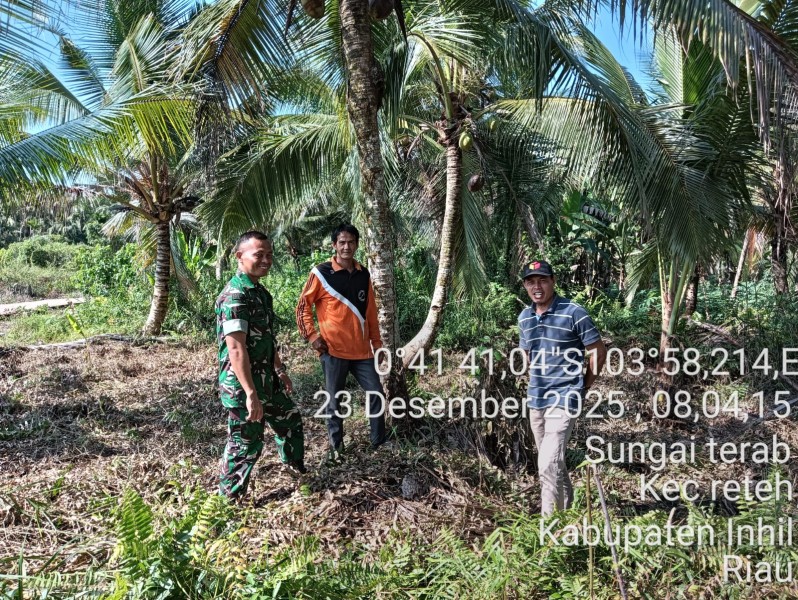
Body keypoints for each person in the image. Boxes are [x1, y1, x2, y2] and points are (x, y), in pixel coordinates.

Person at [215, 231, 305, 500]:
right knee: (246, 444)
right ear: (239, 256)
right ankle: (228, 502)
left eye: (269, 255)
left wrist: (280, 370)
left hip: (267, 380)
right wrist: (251, 395)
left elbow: (266, 337)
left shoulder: (260, 293)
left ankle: (296, 471)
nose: (266, 260)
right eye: (259, 255)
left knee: (290, 421)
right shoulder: (235, 296)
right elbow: (236, 348)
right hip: (244, 387)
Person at [518, 259, 607, 516]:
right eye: (531, 281)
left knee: (547, 462)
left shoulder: (573, 312)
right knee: (553, 460)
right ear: (525, 286)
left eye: (543, 280)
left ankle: (550, 529)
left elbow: (597, 352)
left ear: (553, 282)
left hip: (565, 397)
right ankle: (566, 510)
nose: (537, 286)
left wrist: (583, 387)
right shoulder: (524, 318)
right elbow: (528, 354)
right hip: (536, 399)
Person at [296, 223, 387, 457]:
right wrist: (313, 336)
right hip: (333, 351)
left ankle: (379, 444)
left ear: (357, 244)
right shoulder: (321, 273)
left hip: (362, 352)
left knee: (376, 393)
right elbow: (303, 307)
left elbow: (371, 313)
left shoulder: (363, 273)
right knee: (334, 402)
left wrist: (377, 345)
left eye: (351, 242)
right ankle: (337, 449)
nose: (347, 246)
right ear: (334, 245)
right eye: (342, 242)